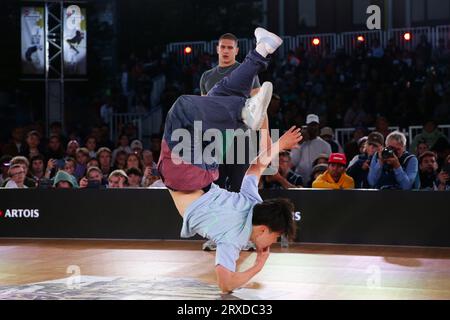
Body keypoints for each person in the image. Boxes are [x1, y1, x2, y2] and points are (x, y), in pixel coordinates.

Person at [158, 27, 299, 293]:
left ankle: (256, 68)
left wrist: (280, 145)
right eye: (276, 237)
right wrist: (258, 264)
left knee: (209, 100)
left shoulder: (246, 213)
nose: (271, 244)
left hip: (196, 170)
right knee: (195, 105)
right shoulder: (237, 232)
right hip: (189, 174)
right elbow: (226, 285)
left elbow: (257, 166)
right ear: (264, 229)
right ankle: (261, 53)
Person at [199, 32, 262, 251]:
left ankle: (242, 237)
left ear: (237, 50)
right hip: (214, 141)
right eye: (222, 47)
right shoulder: (207, 76)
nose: (225, 51)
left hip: (241, 140)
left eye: (230, 47)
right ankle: (217, 236)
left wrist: (262, 137)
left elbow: (259, 104)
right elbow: (204, 109)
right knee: (215, 189)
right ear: (217, 49)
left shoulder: (245, 72)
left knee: (239, 188)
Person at [291, 114, 331, 185]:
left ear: (318, 126)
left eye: (315, 125)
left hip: (318, 180)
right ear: (306, 126)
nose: (313, 128)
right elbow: (293, 162)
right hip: (300, 179)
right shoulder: (298, 143)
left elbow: (329, 164)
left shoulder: (325, 145)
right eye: (310, 125)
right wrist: (300, 142)